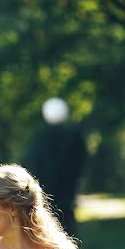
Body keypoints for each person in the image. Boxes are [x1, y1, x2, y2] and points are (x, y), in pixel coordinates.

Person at [21, 98, 88, 238]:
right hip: (66, 190)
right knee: (66, 221)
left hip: (47, 189)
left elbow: (30, 164)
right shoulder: (74, 135)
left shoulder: (39, 138)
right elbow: (81, 161)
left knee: (50, 222)